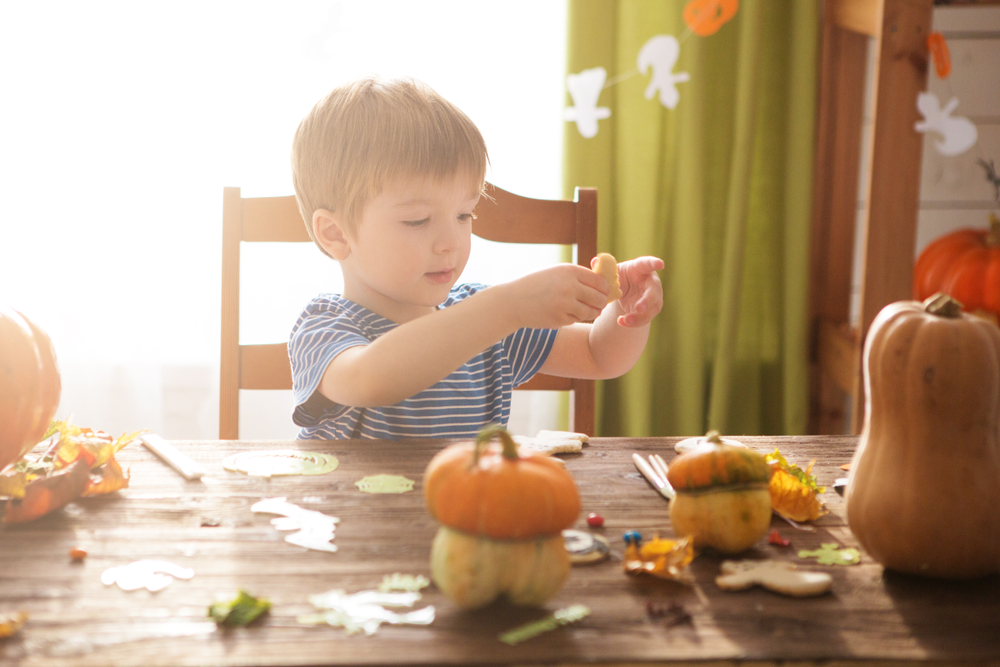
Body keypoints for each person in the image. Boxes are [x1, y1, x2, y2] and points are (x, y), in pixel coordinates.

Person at [289, 75, 663, 440]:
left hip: (469, 502)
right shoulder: (324, 328)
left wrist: (625, 312)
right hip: (349, 505)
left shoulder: (486, 316)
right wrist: (506, 308)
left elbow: (598, 355)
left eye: (464, 215)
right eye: (417, 220)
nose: (451, 241)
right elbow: (370, 379)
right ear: (335, 234)